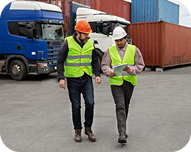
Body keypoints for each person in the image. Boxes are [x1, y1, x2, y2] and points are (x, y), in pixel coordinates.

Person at [57, 20, 101, 142]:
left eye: (88, 34)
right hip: (73, 80)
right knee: (76, 106)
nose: (88, 36)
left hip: (87, 79)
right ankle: (77, 131)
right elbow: (60, 60)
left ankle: (88, 128)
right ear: (78, 33)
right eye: (85, 34)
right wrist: (61, 77)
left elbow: (95, 60)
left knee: (90, 103)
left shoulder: (90, 42)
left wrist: (97, 74)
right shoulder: (68, 42)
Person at [101, 26, 145, 144]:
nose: (119, 42)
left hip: (129, 82)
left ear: (125, 38)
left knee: (125, 106)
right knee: (119, 105)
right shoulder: (109, 51)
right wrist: (109, 72)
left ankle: (123, 129)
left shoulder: (134, 50)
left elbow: (140, 65)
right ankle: (121, 133)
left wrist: (130, 69)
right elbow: (104, 65)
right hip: (115, 83)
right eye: (116, 40)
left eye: (121, 40)